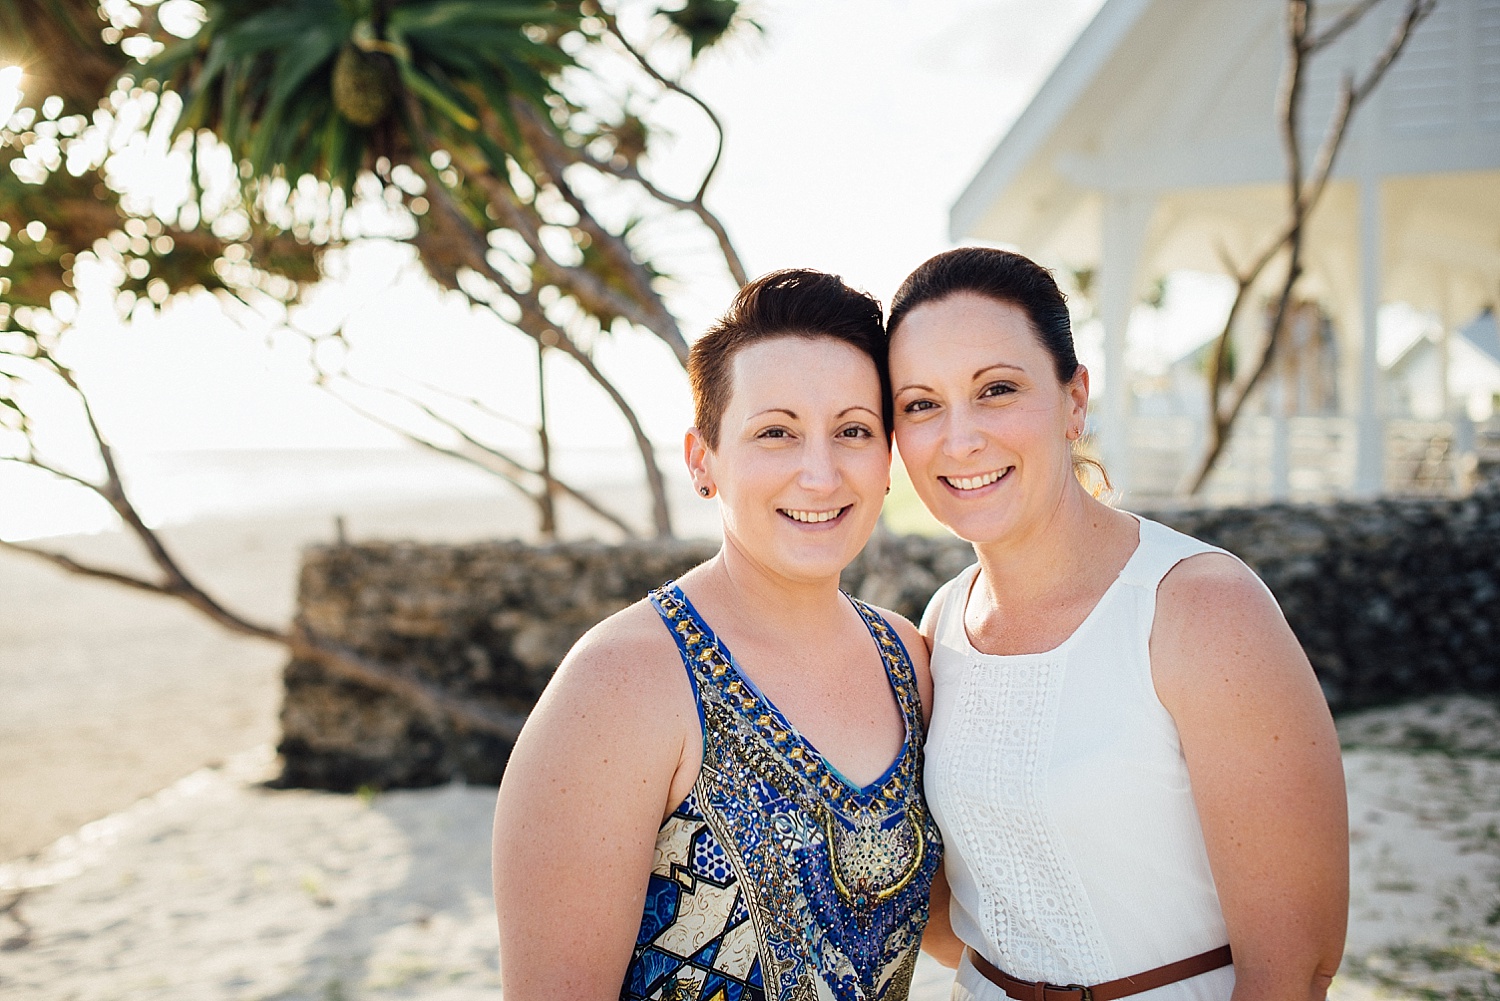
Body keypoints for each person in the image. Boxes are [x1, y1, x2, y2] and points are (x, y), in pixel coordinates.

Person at [885, 248, 1348, 1001]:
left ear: (1074, 400)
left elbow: (1294, 968)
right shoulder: (943, 622)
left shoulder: (1201, 609)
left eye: (997, 389)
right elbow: (958, 918)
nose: (959, 437)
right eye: (921, 404)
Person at [492, 269, 943, 1001]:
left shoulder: (910, 662)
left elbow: (957, 917)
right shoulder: (620, 684)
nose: (820, 473)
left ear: (886, 458)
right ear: (703, 459)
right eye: (776, 432)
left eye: (853, 430)